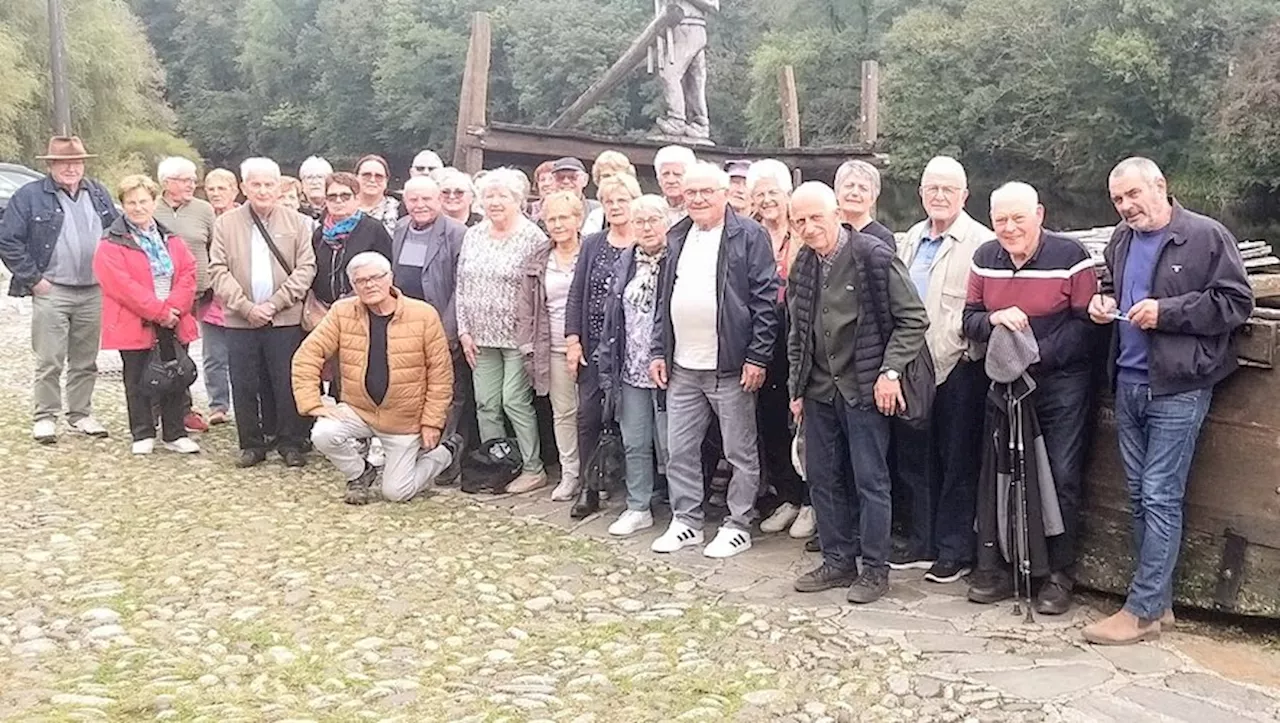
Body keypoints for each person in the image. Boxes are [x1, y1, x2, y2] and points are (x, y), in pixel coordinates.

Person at [1082, 158, 1253, 645]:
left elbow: (1236, 303)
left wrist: (1168, 313)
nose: (1126, 206)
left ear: (1161, 186)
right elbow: (1114, 287)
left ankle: (1141, 612)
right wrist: (1103, 303)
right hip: (1130, 380)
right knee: (1140, 496)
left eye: (1133, 194)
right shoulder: (1121, 239)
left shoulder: (1206, 236)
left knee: (1158, 494)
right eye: (1117, 199)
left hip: (1179, 384)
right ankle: (1159, 604)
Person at [786, 182, 930, 604]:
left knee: (871, 480)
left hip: (864, 387)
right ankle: (837, 560)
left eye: (816, 217)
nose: (809, 227)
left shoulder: (873, 254)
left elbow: (913, 320)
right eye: (800, 221)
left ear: (836, 214)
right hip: (818, 390)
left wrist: (889, 373)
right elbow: (798, 332)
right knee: (823, 478)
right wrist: (796, 389)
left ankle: (875, 570)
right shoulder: (803, 264)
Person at [962, 182, 1097, 615]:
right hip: (1003, 384)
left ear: (1039, 214)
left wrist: (1035, 356)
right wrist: (995, 318)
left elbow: (1088, 326)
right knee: (999, 473)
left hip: (1060, 385)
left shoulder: (1070, 256)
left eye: (1018, 217)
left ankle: (1058, 575)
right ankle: (1001, 566)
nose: (1008, 227)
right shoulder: (984, 258)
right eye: (1000, 219)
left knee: (1058, 475)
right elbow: (969, 319)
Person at [648, 162, 780, 559]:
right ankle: (686, 520)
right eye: (692, 193)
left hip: (730, 365)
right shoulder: (677, 235)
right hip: (683, 366)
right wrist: (658, 349)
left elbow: (764, 300)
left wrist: (757, 356)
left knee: (740, 451)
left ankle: (739, 523)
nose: (699, 199)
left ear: (725, 193)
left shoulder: (749, 235)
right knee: (679, 448)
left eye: (707, 191)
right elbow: (662, 299)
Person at [891, 156, 996, 583]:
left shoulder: (980, 241)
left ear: (964, 195)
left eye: (947, 189)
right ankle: (923, 540)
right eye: (931, 188)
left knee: (957, 460)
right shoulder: (912, 238)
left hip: (959, 365)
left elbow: (984, 304)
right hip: (914, 366)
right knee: (915, 456)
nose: (938, 196)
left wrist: (964, 348)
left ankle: (954, 548)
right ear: (921, 193)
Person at [294, 251, 463, 504]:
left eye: (376, 277)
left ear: (390, 278)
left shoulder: (424, 315)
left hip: (404, 419)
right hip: (359, 410)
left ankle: (445, 452)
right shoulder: (342, 312)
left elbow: (440, 374)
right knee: (323, 434)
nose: (370, 284)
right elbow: (308, 355)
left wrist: (432, 422)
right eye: (361, 281)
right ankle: (360, 472)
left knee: (396, 493)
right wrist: (314, 403)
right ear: (353, 285)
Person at [0, 136, 118, 443]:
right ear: (50, 164)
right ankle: (45, 416)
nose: (71, 168)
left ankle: (80, 414)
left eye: (76, 162)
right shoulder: (29, 196)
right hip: (52, 289)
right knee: (49, 357)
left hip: (93, 289)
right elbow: (8, 241)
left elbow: (118, 232)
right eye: (64, 163)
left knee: (85, 359)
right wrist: (34, 279)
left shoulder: (98, 193)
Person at [209, 157, 317, 468]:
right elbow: (218, 269)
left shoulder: (297, 223)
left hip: (285, 317)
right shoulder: (225, 224)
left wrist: (275, 303)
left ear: (279, 186)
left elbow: (306, 268)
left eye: (269, 184)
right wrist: (245, 306)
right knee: (243, 381)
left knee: (286, 381)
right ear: (243, 187)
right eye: (255, 184)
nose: (262, 190)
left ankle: (290, 441)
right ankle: (251, 443)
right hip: (240, 318)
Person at [93, 174, 201, 455]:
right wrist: (158, 311)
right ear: (123, 205)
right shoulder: (111, 243)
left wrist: (174, 308)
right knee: (137, 377)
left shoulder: (171, 238)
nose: (138, 207)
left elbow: (188, 272)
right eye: (131, 202)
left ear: (154, 203)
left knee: (175, 374)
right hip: (137, 318)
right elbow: (121, 285)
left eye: (143, 201)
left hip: (174, 317)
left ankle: (175, 432)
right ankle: (142, 431)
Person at [456, 168, 548, 492]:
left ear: (519, 200)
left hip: (518, 338)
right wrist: (464, 331)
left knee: (513, 401)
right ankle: (497, 464)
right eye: (489, 196)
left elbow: (539, 292)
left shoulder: (533, 238)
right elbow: (462, 285)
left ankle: (533, 467)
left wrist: (532, 338)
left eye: (502, 196)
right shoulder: (473, 235)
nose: (495, 202)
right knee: (486, 404)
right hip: (480, 336)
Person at [598, 194, 672, 536]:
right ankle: (638, 506)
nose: (646, 227)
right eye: (640, 220)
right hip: (630, 367)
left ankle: (683, 509)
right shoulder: (626, 261)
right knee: (635, 441)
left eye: (654, 219)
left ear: (667, 222)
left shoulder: (677, 259)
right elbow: (612, 316)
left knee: (672, 445)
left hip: (669, 368)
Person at [746, 159, 812, 540]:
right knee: (770, 420)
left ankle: (810, 500)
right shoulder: (751, 235)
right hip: (763, 337)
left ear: (787, 195)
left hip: (798, 334)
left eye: (774, 192)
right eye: (761, 194)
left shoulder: (804, 231)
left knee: (802, 422)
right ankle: (786, 495)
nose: (768, 199)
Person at [566, 174, 642, 499]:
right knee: (588, 415)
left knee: (631, 419)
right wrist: (572, 339)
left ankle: (630, 485)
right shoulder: (593, 243)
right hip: (594, 344)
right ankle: (589, 485)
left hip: (632, 347)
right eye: (609, 201)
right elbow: (575, 294)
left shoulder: (646, 241)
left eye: (621, 200)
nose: (614, 207)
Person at [392, 176, 473, 460]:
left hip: (440, 325)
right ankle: (414, 448)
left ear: (439, 200)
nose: (420, 205)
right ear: (405, 202)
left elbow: (461, 287)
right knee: (413, 389)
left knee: (448, 392)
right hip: (405, 326)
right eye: (413, 199)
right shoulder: (401, 228)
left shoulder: (457, 233)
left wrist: (447, 331)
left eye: (427, 199)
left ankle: (445, 453)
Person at [518, 191, 585, 501]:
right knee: (564, 412)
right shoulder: (538, 258)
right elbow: (527, 304)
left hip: (588, 345)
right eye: (552, 218)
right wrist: (527, 344)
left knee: (594, 413)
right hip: (553, 345)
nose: (558, 224)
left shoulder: (592, 251)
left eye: (564, 217)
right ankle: (570, 473)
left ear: (578, 219)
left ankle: (597, 474)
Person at [154, 155, 217, 432]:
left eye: (193, 179)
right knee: (154, 353)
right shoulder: (151, 207)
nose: (192, 184)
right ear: (167, 182)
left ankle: (183, 408)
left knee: (183, 354)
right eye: (185, 180)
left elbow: (216, 247)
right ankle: (153, 407)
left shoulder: (204, 210)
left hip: (194, 294)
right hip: (156, 295)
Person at [311, 172, 393, 311]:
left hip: (364, 307)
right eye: (332, 197)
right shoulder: (319, 234)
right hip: (324, 310)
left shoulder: (373, 229)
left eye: (345, 196)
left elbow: (388, 268)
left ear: (357, 199)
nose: (338, 201)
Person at [197, 168, 240, 425]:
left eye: (221, 188)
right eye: (211, 189)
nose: (215, 194)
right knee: (213, 356)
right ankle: (218, 405)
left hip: (238, 295)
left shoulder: (244, 217)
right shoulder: (202, 217)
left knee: (243, 355)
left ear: (234, 190)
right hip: (211, 299)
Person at [835, 160, 895, 249]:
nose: (855, 193)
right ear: (837, 191)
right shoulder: (827, 231)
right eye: (849, 186)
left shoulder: (883, 238)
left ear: (873, 198)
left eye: (863, 188)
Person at [583, 151, 638, 233]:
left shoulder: (642, 211)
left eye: (617, 175)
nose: (612, 180)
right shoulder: (595, 217)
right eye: (606, 176)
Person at [551, 157, 603, 231]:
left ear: (585, 180)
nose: (566, 181)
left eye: (573, 177)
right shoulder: (545, 212)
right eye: (560, 177)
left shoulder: (598, 211)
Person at [354, 154, 400, 235]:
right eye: (366, 175)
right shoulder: (343, 206)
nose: (372, 180)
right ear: (356, 177)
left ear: (386, 180)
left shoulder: (400, 209)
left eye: (379, 176)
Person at [654, 145, 697, 222]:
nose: (671, 180)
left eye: (677, 174)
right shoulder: (652, 209)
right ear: (659, 179)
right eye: (665, 174)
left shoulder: (698, 210)